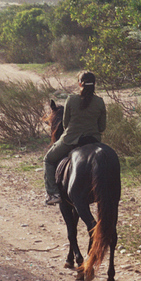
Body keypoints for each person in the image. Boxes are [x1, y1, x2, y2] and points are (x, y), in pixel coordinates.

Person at [43, 71, 106, 205]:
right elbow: (102, 127)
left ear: (79, 84)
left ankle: (53, 193)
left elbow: (65, 124)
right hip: (93, 141)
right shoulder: (100, 102)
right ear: (95, 84)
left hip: (71, 140)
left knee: (48, 160)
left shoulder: (71, 100)